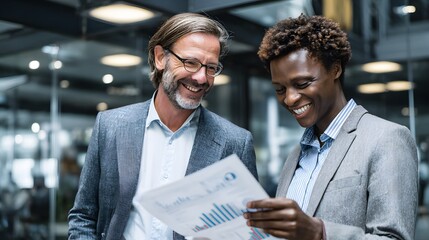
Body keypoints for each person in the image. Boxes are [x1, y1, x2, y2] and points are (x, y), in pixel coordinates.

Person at [68, 12, 258, 240]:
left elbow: (247, 229)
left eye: (211, 68)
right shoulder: (110, 126)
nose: (201, 77)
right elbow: (83, 216)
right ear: (160, 58)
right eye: (190, 62)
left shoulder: (235, 142)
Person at [244, 14, 418, 239]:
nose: (289, 99)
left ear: (336, 70)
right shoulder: (295, 156)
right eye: (280, 89)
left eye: (302, 84)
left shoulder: (387, 139)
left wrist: (320, 232)